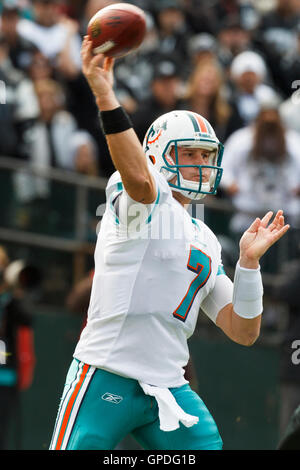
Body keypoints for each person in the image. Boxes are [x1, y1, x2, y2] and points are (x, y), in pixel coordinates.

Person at [49, 36, 290, 451]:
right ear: (157, 155)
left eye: (205, 155)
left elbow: (243, 330)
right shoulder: (138, 195)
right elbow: (141, 183)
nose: (201, 164)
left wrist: (249, 266)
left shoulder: (206, 237)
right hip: (107, 372)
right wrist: (105, 93)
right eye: (190, 153)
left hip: (169, 386)